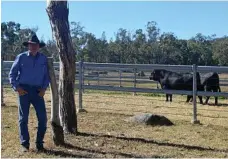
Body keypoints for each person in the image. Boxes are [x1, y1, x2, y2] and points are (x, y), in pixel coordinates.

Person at [9, 34, 50, 152]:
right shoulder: (21, 57)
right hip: (24, 91)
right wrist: (17, 88)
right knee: (23, 119)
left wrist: (43, 89)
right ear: (28, 46)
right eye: (31, 45)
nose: (33, 47)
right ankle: (24, 144)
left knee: (42, 118)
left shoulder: (43, 59)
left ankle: (39, 143)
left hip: (38, 92)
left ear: (39, 47)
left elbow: (46, 76)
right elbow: (12, 74)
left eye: (35, 45)